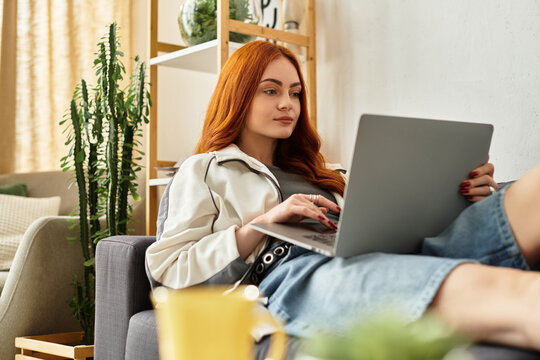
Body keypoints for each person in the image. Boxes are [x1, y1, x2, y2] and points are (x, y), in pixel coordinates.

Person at [146, 40, 540, 351]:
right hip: (293, 274)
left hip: (384, 248)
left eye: (295, 93)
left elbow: (379, 224)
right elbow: (169, 272)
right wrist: (259, 225)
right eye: (271, 91)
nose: (288, 104)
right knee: (515, 294)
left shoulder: (329, 172)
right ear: (238, 95)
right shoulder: (205, 169)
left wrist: (468, 195)